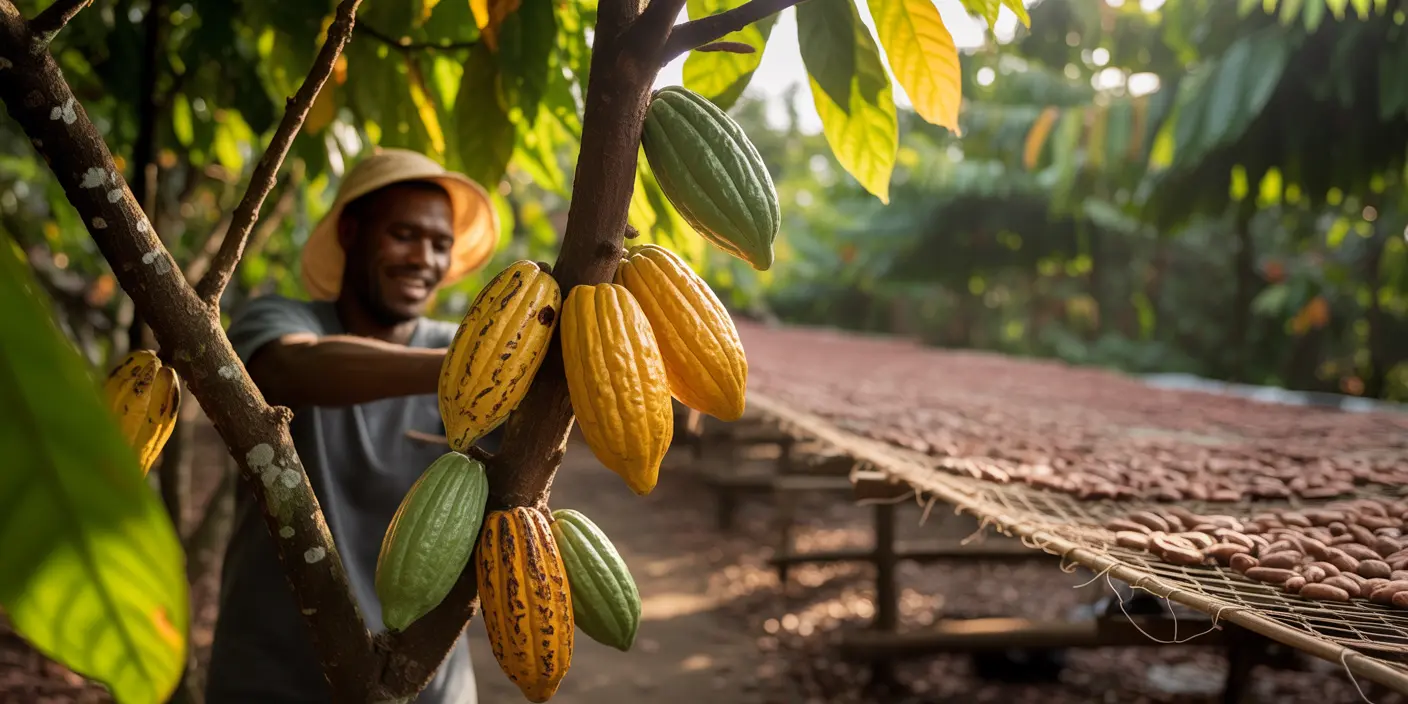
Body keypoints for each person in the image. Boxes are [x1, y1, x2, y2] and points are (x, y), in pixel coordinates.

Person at [205, 148, 501, 704]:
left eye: (440, 244)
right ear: (350, 232)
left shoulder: (461, 345)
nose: (424, 258)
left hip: (428, 686)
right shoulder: (279, 320)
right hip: (275, 677)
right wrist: (473, 367)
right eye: (404, 234)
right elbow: (286, 368)